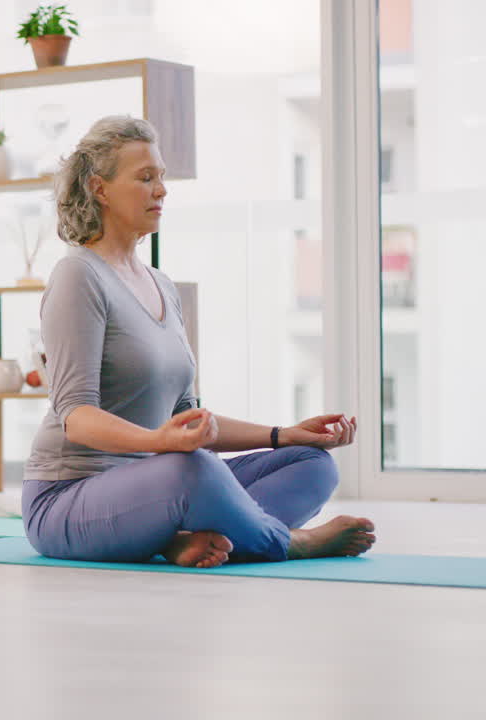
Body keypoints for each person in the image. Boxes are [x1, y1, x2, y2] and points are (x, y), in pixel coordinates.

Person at [24, 116, 376, 568]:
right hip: (69, 500)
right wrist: (160, 441)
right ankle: (290, 542)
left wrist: (281, 434)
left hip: (161, 482)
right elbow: (77, 417)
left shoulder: (160, 285)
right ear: (100, 189)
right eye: (145, 177)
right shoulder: (78, 275)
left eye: (162, 177)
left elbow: (186, 421)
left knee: (310, 463)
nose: (161, 190)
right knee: (194, 471)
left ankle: (179, 538)